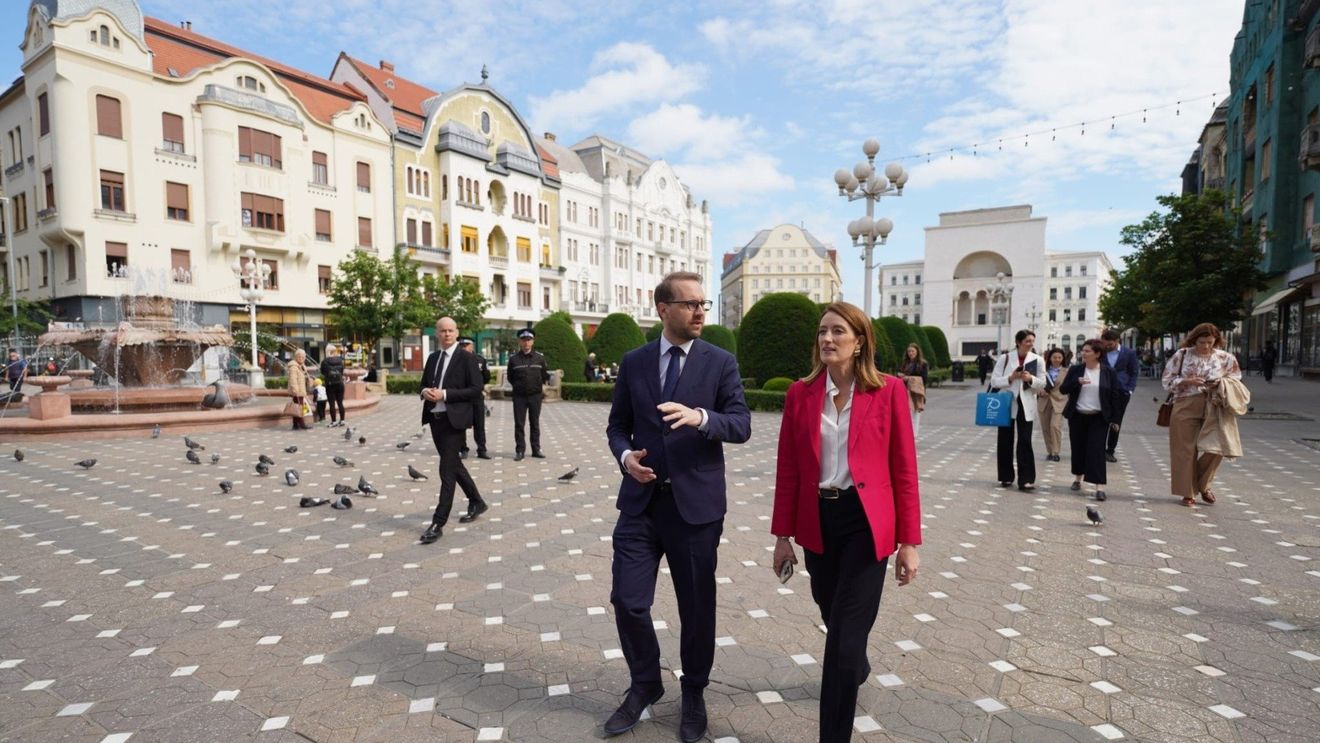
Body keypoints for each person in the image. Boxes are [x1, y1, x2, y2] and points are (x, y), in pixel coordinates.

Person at [603, 272, 751, 743]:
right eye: (689, 304)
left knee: (696, 607)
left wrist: (701, 418)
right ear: (663, 308)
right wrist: (626, 458)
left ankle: (694, 691)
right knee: (628, 600)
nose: (700, 311)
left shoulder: (720, 362)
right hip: (641, 505)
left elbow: (742, 423)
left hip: (696, 507)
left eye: (703, 303)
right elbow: (617, 426)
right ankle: (645, 683)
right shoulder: (634, 361)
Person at [771, 302, 921, 743]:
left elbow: (904, 470)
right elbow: (788, 470)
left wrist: (909, 542)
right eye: (822, 331)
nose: (827, 339)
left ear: (859, 342)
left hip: (866, 523)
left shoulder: (888, 391)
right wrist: (782, 537)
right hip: (817, 520)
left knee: (840, 642)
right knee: (830, 612)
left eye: (838, 331)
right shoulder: (800, 393)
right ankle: (858, 661)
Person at [418, 317, 488, 544]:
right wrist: (425, 392)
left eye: (450, 330)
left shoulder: (467, 359)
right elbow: (423, 384)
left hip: (454, 421)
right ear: (437, 334)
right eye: (442, 331)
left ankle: (438, 522)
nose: (447, 334)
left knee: (446, 471)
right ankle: (477, 501)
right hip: (435, 420)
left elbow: (476, 390)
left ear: (456, 332)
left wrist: (445, 394)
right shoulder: (433, 358)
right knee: (454, 465)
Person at [1162, 323, 1244, 507]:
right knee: (1185, 450)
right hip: (1185, 403)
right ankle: (1188, 492)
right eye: (1201, 342)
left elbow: (1236, 378)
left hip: (1215, 404)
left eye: (1210, 342)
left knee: (1218, 447)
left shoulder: (1226, 358)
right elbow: (1166, 380)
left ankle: (1203, 484)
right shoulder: (1182, 355)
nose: (1206, 346)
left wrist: (1220, 383)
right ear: (1194, 339)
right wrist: (1187, 381)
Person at [1059, 339, 1123, 501]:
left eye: (1087, 351)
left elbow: (1115, 396)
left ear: (1097, 354)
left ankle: (1099, 487)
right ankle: (1077, 478)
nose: (1083, 353)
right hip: (1078, 415)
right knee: (1078, 448)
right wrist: (1076, 382)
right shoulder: (1076, 370)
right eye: (1083, 350)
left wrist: (1115, 419)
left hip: (1099, 418)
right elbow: (1063, 389)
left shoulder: (1108, 372)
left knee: (1096, 451)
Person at [990, 330, 1046, 491]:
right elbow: (994, 381)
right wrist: (1011, 377)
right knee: (1005, 440)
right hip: (1007, 401)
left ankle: (1026, 479)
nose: (1030, 344)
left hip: (1026, 402)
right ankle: (1006, 477)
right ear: (1019, 342)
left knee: (1025, 440)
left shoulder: (1038, 360)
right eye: (1027, 341)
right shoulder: (1005, 358)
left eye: (1032, 341)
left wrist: (1030, 379)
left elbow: (1042, 383)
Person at [507, 328, 550, 461]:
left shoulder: (539, 358)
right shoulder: (514, 359)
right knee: (519, 424)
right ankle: (520, 450)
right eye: (524, 340)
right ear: (520, 342)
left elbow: (544, 375)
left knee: (534, 423)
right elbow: (510, 377)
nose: (526, 343)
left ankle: (536, 449)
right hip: (519, 396)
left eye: (529, 340)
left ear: (533, 341)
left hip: (535, 396)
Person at [1099, 328, 1139, 463]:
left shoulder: (1129, 353)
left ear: (1117, 341)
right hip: (1103, 390)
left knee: (1116, 421)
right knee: (1101, 419)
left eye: (1109, 344)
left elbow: (1134, 372)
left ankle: (1110, 450)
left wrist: (1130, 389)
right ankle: (1098, 449)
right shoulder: (1101, 352)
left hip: (1122, 391)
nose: (1107, 347)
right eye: (1105, 344)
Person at [458, 337, 492, 460]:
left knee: (479, 424)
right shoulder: (456, 360)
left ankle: (482, 450)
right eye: (462, 345)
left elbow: (486, 376)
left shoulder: (480, 360)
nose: (464, 347)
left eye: (467, 345)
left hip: (477, 396)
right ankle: (463, 449)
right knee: (461, 425)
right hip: (462, 396)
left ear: (472, 346)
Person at [1037, 348, 1068, 462]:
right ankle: (1050, 451)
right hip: (1044, 402)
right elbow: (1035, 383)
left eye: (1059, 357)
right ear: (1049, 358)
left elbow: (1069, 387)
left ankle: (1056, 452)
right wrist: (1040, 391)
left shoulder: (1067, 371)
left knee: (1055, 426)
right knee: (1045, 428)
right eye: (1054, 357)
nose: (1057, 359)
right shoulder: (1042, 371)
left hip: (1059, 402)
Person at [895, 342, 928, 438]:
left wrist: (908, 378)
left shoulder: (922, 364)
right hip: (905, 392)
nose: (910, 353)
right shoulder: (905, 363)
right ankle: (907, 435)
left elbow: (924, 379)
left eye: (912, 351)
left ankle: (913, 435)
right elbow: (898, 374)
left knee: (915, 415)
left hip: (916, 392)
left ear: (917, 351)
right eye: (909, 351)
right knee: (906, 415)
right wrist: (900, 375)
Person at [321, 345, 347, 427]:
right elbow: (342, 371)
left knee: (332, 404)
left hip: (330, 385)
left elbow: (323, 372)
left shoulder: (324, 362)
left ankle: (334, 421)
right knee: (340, 403)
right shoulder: (340, 360)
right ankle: (342, 420)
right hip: (340, 384)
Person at [286, 349, 312, 430]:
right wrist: (295, 391)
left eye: (303, 357)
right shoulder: (293, 367)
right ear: (296, 357)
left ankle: (295, 424)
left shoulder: (302, 366)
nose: (301, 358)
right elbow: (292, 380)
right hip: (298, 391)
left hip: (301, 390)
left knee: (297, 407)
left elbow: (305, 377)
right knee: (300, 408)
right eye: (299, 356)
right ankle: (302, 424)